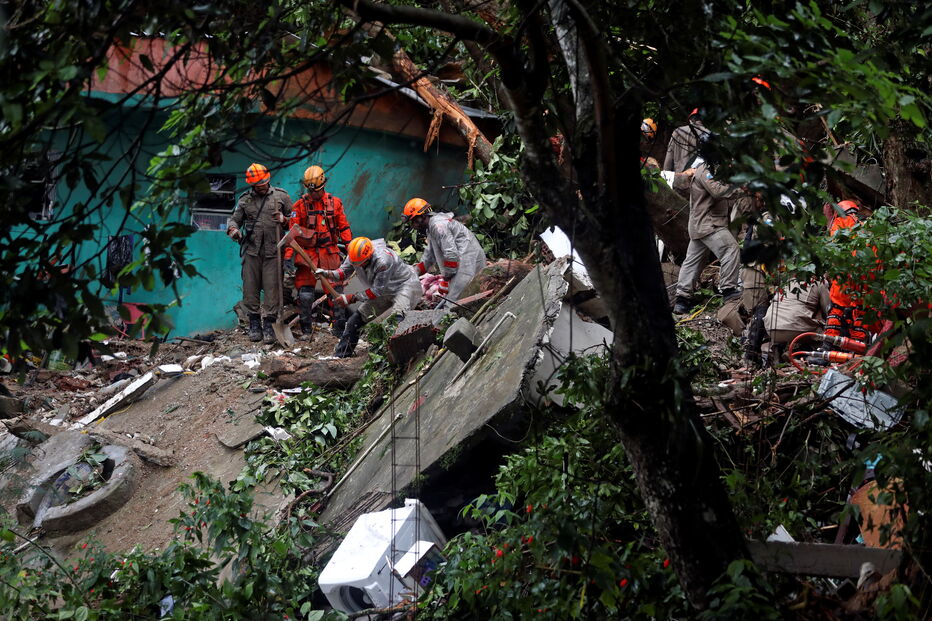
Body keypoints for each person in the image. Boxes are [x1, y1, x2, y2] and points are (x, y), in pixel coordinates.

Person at [317, 237, 422, 358]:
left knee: (397, 320)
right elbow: (342, 273)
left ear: (369, 256)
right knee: (354, 321)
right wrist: (326, 273)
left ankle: (398, 355)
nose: (359, 266)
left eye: (362, 263)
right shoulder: (354, 256)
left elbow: (376, 291)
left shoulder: (383, 261)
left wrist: (350, 298)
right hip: (383, 290)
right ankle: (341, 356)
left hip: (403, 285)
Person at [282, 165, 353, 339]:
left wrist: (351, 249)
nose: (314, 194)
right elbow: (292, 234)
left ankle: (338, 331)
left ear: (323, 186)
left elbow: (344, 227)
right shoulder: (299, 206)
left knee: (336, 294)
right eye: (311, 191)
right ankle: (306, 332)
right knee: (305, 295)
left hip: (330, 254)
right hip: (308, 256)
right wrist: (288, 258)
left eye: (318, 191)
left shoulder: (335, 203)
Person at [226, 163, 292, 343]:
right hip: (252, 251)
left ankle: (269, 326)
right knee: (250, 289)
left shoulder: (282, 196)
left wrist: (284, 219)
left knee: (272, 290)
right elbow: (234, 220)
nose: (262, 186)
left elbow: (295, 221)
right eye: (258, 184)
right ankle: (254, 324)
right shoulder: (245, 200)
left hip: (273, 252)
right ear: (252, 185)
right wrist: (233, 230)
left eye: (264, 183)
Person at [672, 163, 745, 314]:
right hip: (709, 224)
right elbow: (717, 191)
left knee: (693, 262)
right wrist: (741, 189)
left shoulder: (715, 169)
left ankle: (682, 300)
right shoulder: (706, 169)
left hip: (702, 224)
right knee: (730, 249)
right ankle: (729, 290)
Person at [402, 198, 486, 308]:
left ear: (420, 217)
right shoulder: (432, 227)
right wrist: (415, 272)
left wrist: (446, 278)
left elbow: (451, 254)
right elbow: (429, 255)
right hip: (466, 258)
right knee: (471, 294)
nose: (413, 226)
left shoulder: (438, 226)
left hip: (466, 260)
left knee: (452, 304)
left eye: (412, 221)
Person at [663, 108, 710, 173]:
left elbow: (669, 158)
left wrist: (666, 175)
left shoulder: (677, 131)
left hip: (679, 178)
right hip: (698, 178)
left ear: (690, 120)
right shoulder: (709, 133)